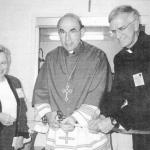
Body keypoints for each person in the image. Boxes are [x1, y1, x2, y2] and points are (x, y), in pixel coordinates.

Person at [32, 13, 112, 150]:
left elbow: (98, 94)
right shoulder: (51, 58)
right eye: (62, 32)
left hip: (87, 133)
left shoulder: (97, 57)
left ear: (82, 31)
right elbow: (41, 91)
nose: (67, 38)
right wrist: (48, 115)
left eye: (72, 31)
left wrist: (75, 118)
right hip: (57, 133)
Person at [88, 5, 150, 150]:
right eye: (113, 31)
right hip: (140, 132)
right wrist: (103, 115)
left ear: (135, 24)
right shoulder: (120, 58)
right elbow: (117, 93)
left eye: (121, 29)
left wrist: (115, 120)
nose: (117, 35)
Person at [0, 45, 29, 150]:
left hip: (12, 137)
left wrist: (21, 134)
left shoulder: (15, 82)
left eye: (3, 63)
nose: (0, 67)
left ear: (8, 64)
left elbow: (22, 110)